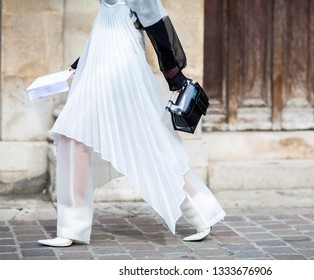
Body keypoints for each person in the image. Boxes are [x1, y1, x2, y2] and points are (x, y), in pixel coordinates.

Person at [37, 0, 225, 247]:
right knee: (76, 134)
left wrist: (174, 74)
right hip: (100, 60)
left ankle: (202, 210)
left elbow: (154, 19)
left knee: (83, 131)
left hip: (120, 64)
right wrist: (81, 61)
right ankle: (71, 227)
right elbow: (106, 22)